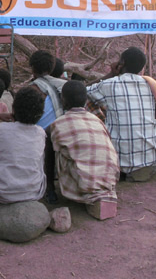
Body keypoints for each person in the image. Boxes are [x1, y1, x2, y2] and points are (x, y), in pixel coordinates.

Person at [86, 47, 156, 181]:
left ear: (121, 63)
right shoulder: (150, 85)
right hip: (151, 160)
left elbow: (78, 92)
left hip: (119, 164)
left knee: (85, 102)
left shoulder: (109, 84)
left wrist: (110, 74)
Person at [49, 81, 119, 219]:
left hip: (84, 183)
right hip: (110, 178)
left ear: (63, 100)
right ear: (86, 100)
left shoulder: (59, 123)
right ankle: (100, 191)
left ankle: (50, 188)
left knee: (56, 146)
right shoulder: (97, 120)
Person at [0, 86, 46, 209]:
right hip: (34, 192)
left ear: (13, 109)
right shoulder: (40, 132)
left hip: (2, 193)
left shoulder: (0, 129)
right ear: (41, 113)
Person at [29, 50, 65, 129]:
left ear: (33, 68)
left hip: (36, 133)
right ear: (51, 68)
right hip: (59, 131)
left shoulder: (31, 90)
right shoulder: (64, 86)